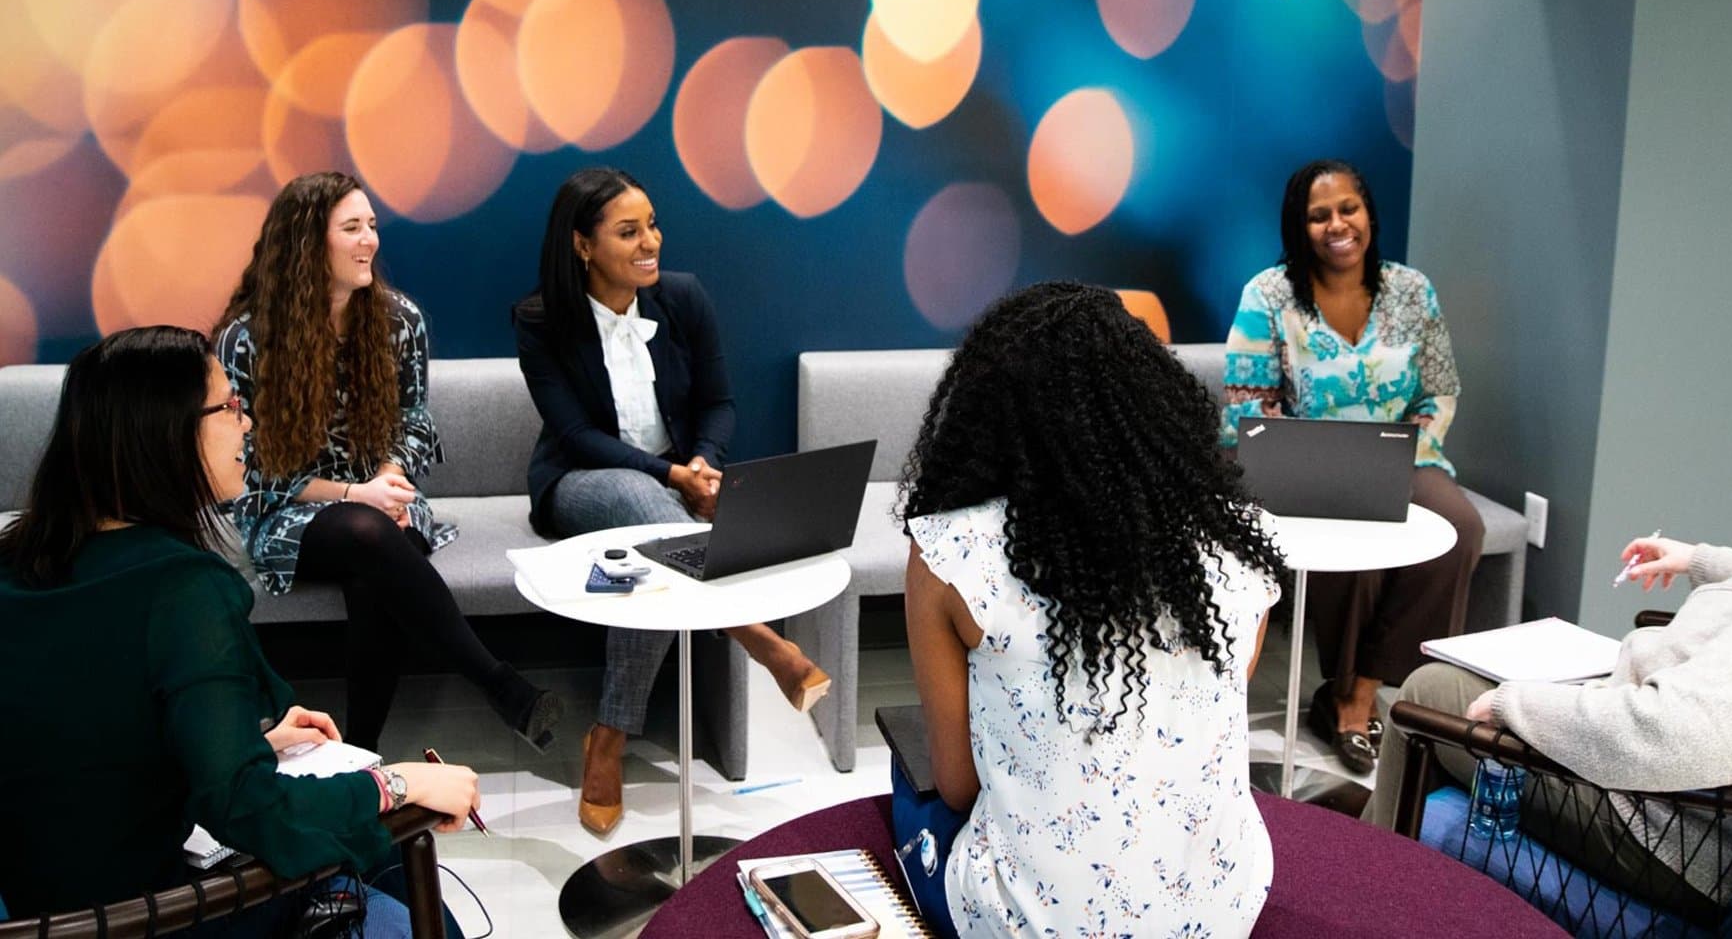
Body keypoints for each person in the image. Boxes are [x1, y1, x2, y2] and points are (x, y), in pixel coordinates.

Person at [1363, 361, 1732, 924]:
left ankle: (1362, 883)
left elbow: (1661, 736)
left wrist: (1516, 704)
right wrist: (1699, 560)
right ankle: (1385, 841)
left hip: (1657, 830)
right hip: (1680, 808)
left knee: (1428, 692)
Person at [0, 326, 481, 934]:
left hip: (38, 903)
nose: (247, 424)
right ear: (166, 431)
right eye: (229, 406)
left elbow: (87, 740)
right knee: (387, 855)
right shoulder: (183, 588)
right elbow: (248, 810)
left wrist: (243, 740)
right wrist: (399, 782)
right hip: (141, 914)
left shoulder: (18, 562)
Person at [896, 281, 1286, 937]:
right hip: (1219, 912)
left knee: (911, 777)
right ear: (1151, 398)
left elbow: (960, 789)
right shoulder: (1241, 544)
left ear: (989, 405)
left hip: (1027, 925)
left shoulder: (949, 555)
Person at [513, 167, 830, 836]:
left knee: (649, 559)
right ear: (582, 246)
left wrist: (704, 465)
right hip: (581, 482)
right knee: (642, 504)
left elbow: (718, 402)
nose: (650, 241)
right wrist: (667, 475)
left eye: (652, 225)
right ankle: (765, 641)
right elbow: (575, 434)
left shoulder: (683, 299)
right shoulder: (539, 319)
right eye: (628, 232)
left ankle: (608, 737)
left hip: (681, 490)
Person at [216, 172, 561, 754]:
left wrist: (388, 477)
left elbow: (416, 422)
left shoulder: (398, 319)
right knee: (368, 533)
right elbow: (249, 468)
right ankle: (499, 685)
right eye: (351, 228)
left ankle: (361, 752)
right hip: (284, 512)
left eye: (372, 226)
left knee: (370, 564)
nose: (369, 240)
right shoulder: (247, 339)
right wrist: (355, 497)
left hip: (380, 504)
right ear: (306, 242)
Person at [1222, 158, 1484, 773]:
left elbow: (1441, 389)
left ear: (1368, 215)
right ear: (1300, 226)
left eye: (1348, 209)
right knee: (1352, 535)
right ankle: (1343, 698)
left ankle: (1365, 689)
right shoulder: (1268, 295)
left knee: (1460, 530)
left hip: (1406, 454)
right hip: (1304, 463)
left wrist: (1398, 455)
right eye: (1319, 216)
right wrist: (1313, 458)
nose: (1337, 225)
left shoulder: (1413, 291)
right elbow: (1247, 404)